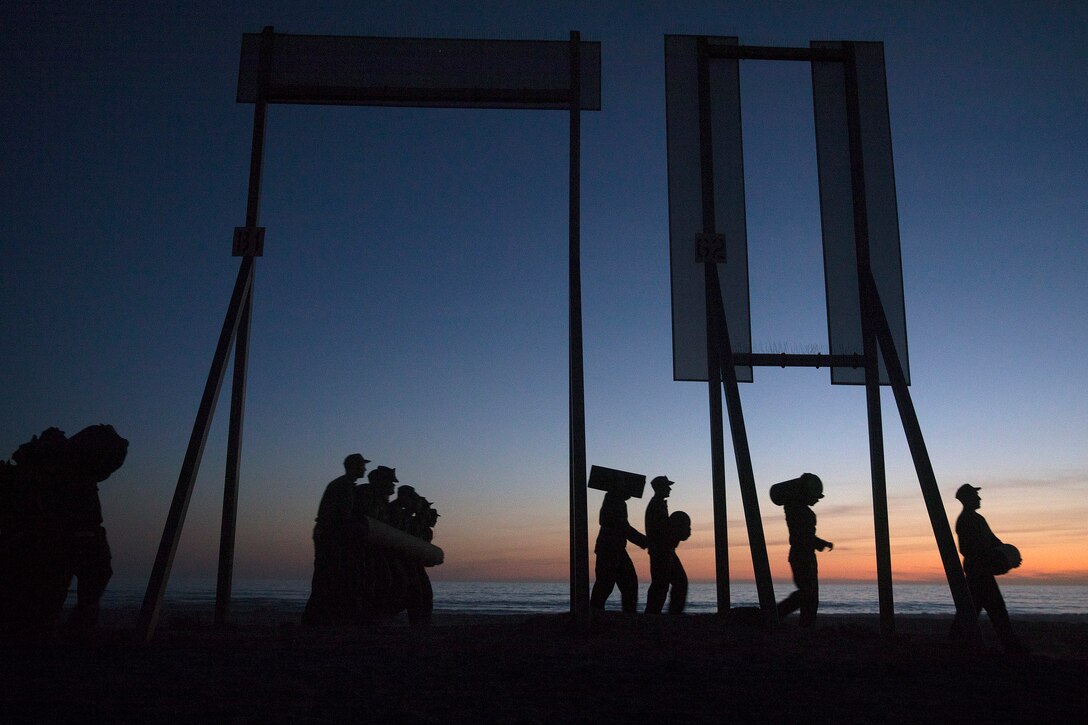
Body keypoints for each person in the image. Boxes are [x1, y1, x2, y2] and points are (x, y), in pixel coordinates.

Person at [949, 483, 1028, 655]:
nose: (979, 498)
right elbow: (966, 549)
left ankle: (952, 644)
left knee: (971, 611)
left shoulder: (978, 519)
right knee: (996, 610)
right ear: (967, 499)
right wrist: (994, 558)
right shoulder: (966, 520)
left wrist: (1009, 556)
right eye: (975, 496)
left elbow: (994, 541)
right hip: (978, 572)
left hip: (980, 571)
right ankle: (1012, 648)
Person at [303, 453, 370, 625]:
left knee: (328, 576)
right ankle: (314, 619)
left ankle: (319, 618)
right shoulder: (344, 486)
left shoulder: (343, 485)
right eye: (362, 465)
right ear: (353, 467)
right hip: (330, 535)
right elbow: (343, 516)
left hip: (329, 534)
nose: (364, 468)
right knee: (327, 576)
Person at [776, 473, 833, 627]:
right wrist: (822, 543)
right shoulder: (796, 509)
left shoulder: (796, 508)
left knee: (810, 594)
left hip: (805, 555)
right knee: (807, 594)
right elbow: (804, 536)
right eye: (815, 496)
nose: (816, 500)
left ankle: (805, 625)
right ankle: (775, 615)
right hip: (802, 555)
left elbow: (805, 536)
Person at [589, 489, 648, 613]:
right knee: (612, 584)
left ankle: (596, 613)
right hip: (610, 549)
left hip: (613, 548)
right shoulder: (614, 499)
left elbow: (622, 526)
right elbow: (622, 526)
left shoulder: (615, 500)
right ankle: (597, 614)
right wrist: (643, 541)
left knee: (611, 584)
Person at [644, 476, 688, 615]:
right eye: (667, 486)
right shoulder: (656, 505)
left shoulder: (659, 504)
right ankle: (656, 614)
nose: (669, 488)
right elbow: (660, 531)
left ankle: (660, 614)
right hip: (661, 551)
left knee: (668, 584)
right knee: (663, 585)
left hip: (665, 550)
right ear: (660, 488)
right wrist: (677, 533)